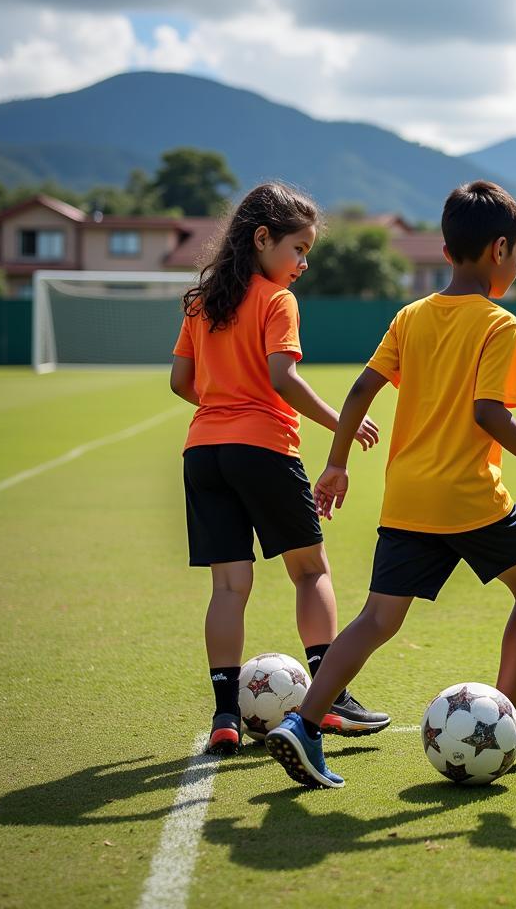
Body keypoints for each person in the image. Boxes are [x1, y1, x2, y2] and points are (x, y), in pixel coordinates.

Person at [265, 179, 516, 788]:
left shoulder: (410, 316)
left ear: (447, 250)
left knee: (376, 619)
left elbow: (361, 390)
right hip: (471, 497)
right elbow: (489, 415)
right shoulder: (500, 324)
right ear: (500, 250)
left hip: (408, 496)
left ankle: (305, 723)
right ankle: (507, 716)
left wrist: (337, 462)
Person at [169, 181, 389, 755]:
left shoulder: (202, 300)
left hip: (204, 453)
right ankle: (330, 696)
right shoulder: (275, 300)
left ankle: (224, 715)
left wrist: (223, 409)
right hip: (263, 448)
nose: (304, 262)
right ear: (263, 239)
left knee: (228, 584)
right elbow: (281, 378)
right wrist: (340, 424)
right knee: (310, 571)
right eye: (298, 248)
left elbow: (181, 383)